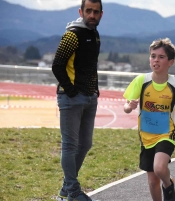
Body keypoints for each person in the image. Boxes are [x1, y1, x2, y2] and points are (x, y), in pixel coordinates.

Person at [123, 38, 175, 201]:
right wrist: (129, 107)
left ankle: (168, 185)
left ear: (170, 62)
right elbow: (126, 106)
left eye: (161, 57)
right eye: (153, 56)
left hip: (167, 132)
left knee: (160, 168)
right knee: (152, 181)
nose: (156, 60)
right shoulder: (141, 81)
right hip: (146, 135)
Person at [52, 0, 103, 200]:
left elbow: (91, 65)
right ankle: (73, 191)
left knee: (85, 144)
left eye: (95, 11)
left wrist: (95, 90)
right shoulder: (72, 35)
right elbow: (57, 65)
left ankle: (66, 189)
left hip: (90, 98)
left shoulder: (95, 35)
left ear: (101, 14)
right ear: (81, 11)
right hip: (71, 98)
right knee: (70, 145)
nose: (92, 15)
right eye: (88, 11)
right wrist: (71, 91)